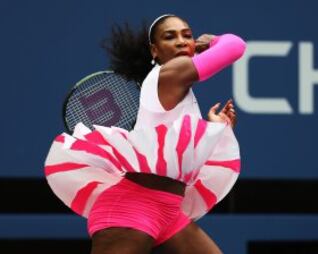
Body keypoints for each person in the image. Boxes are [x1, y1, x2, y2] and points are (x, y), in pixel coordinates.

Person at [44, 14, 245, 254]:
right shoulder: (170, 74)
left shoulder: (177, 88)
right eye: (170, 37)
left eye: (187, 35)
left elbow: (175, 156)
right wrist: (210, 42)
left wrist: (216, 128)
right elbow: (235, 46)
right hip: (131, 208)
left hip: (169, 210)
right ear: (155, 51)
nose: (181, 41)